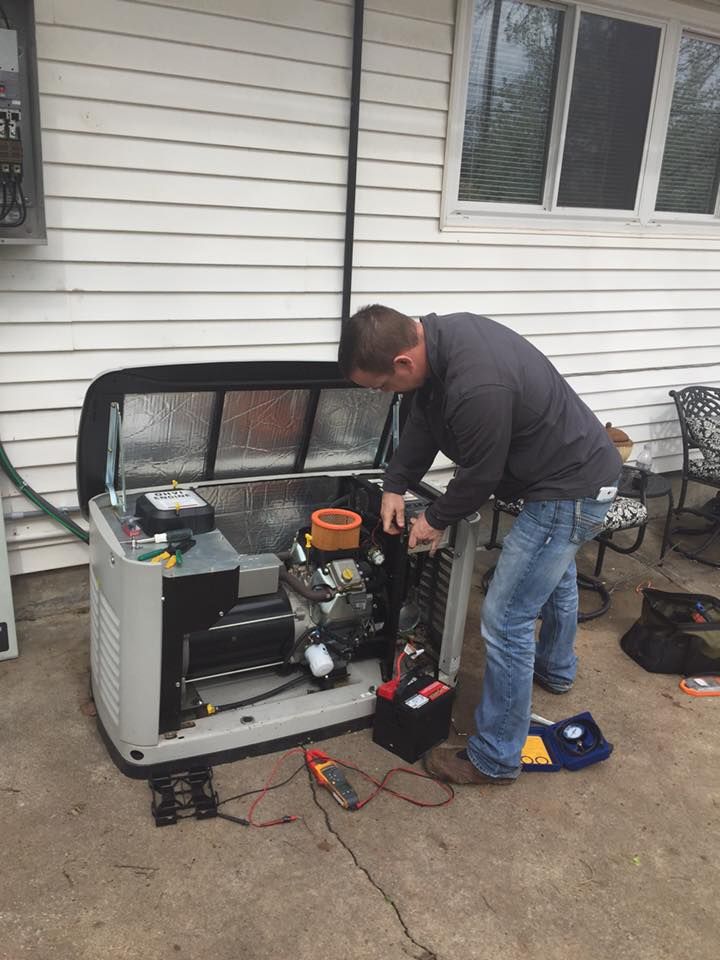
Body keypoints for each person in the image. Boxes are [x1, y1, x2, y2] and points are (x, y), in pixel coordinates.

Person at [338, 305, 622, 785]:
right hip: (569, 476)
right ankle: (556, 670)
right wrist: (394, 483)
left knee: (506, 618)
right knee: (552, 577)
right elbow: (423, 422)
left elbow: (481, 476)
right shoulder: (438, 343)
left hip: (568, 491)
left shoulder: (477, 385)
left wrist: (435, 519)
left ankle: (495, 758)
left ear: (403, 362)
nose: (385, 394)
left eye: (382, 386)